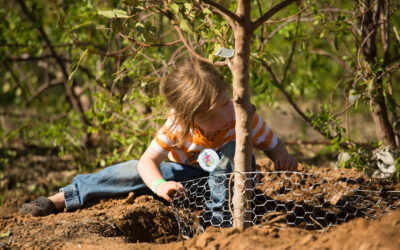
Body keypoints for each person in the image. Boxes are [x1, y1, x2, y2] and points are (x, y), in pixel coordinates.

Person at [20, 58, 298, 226]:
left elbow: (273, 144)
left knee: (230, 154)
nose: (227, 111)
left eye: (226, 101)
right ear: (191, 118)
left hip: (233, 186)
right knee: (131, 169)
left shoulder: (242, 116)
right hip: (187, 183)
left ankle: (216, 226)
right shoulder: (178, 126)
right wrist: (159, 184)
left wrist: (281, 157)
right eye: (215, 112)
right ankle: (63, 198)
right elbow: (147, 161)